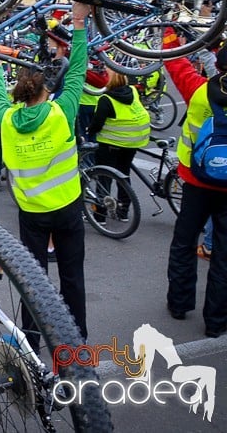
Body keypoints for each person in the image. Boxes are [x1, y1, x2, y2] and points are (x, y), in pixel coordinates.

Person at [0, 1, 91, 339]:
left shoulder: (6, 119)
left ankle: (32, 341)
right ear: (46, 86)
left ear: (19, 89)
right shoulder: (62, 111)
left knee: (32, 280)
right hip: (67, 207)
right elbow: (77, 70)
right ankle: (77, 342)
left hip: (31, 212)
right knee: (72, 277)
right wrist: (79, 24)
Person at [161, 31, 227, 338]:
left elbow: (174, 62)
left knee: (184, 242)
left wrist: (170, 33)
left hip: (194, 180)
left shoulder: (198, 90)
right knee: (224, 256)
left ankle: (179, 303)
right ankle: (216, 321)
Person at [85, 68, 150, 222]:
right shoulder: (133, 91)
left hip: (112, 143)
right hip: (133, 141)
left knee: (104, 177)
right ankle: (123, 212)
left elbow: (97, 124)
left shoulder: (106, 99)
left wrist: (89, 131)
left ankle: (100, 215)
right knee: (124, 175)